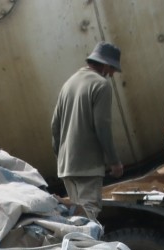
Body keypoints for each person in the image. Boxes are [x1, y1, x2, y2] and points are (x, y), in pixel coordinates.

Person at [51, 42, 124, 221]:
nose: (113, 74)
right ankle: (59, 203)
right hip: (88, 167)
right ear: (106, 65)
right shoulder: (101, 85)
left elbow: (55, 125)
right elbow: (102, 126)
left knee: (76, 221)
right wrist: (114, 162)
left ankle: (63, 205)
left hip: (66, 166)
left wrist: (61, 157)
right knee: (89, 216)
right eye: (113, 69)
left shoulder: (69, 83)